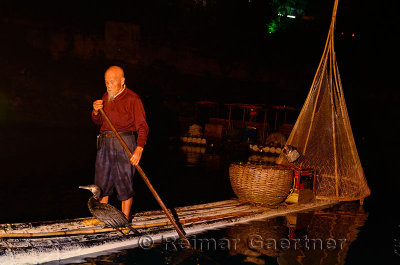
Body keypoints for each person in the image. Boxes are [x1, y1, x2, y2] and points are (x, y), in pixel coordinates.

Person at [91, 65, 149, 220]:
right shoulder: (105, 97)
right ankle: (104, 218)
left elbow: (142, 126)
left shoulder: (133, 99)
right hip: (105, 143)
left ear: (122, 81)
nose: (108, 85)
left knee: (124, 181)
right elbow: (98, 122)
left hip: (125, 143)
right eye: (106, 82)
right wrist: (96, 111)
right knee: (102, 183)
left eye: (111, 81)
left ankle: (125, 219)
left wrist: (139, 149)